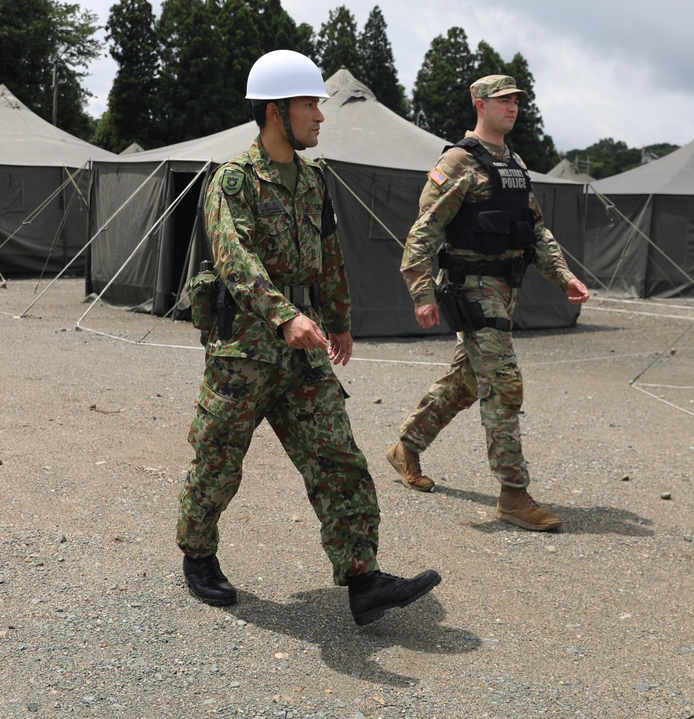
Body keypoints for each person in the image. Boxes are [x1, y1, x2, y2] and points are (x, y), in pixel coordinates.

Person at [177, 49, 440, 625]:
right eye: (310, 105)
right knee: (219, 462)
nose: (320, 116)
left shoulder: (315, 180)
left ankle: (362, 579)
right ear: (276, 112)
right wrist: (282, 316)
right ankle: (198, 556)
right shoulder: (233, 181)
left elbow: (328, 256)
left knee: (338, 460)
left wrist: (339, 319)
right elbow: (233, 259)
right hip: (244, 351)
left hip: (304, 352)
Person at [388, 74, 590, 532]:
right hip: (473, 289)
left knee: (464, 383)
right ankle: (513, 495)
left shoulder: (514, 163)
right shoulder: (459, 160)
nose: (513, 107)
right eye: (503, 101)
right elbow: (423, 230)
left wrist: (565, 277)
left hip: (506, 288)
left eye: (517, 100)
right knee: (504, 385)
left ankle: (406, 447)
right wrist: (422, 294)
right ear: (480, 104)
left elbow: (535, 230)